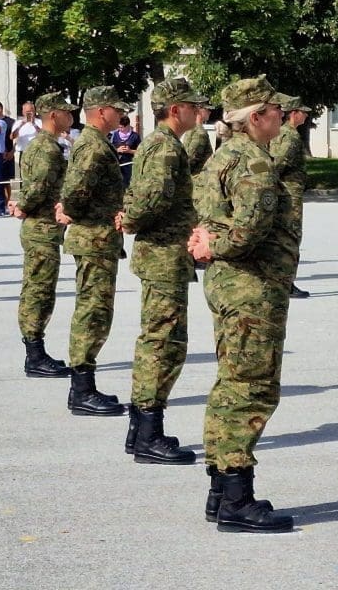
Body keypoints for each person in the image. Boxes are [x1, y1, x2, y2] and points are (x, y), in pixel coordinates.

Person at [187, 75, 298, 533]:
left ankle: (221, 490)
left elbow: (207, 214)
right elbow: (248, 231)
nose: (282, 116)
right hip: (252, 286)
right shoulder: (254, 162)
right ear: (256, 117)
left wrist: (207, 240)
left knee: (231, 383)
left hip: (230, 284)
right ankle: (236, 499)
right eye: (274, 110)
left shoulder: (222, 156)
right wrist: (213, 244)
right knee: (251, 387)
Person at [115, 77, 207, 465]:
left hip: (163, 255)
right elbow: (151, 198)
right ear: (175, 109)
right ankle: (149, 434)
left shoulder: (160, 143)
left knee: (157, 340)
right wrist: (131, 220)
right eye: (192, 105)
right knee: (164, 343)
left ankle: (140, 429)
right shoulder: (166, 147)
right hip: (164, 256)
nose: (198, 111)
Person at [57, 87, 132, 417]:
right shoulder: (93, 145)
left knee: (96, 310)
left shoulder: (96, 142)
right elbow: (76, 189)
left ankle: (84, 385)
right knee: (93, 312)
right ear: (102, 111)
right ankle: (82, 390)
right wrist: (71, 211)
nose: (121, 115)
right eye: (117, 109)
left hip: (98, 238)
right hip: (94, 239)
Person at [8, 92, 78, 378]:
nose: (71, 117)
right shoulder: (47, 148)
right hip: (42, 228)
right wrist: (23, 206)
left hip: (43, 227)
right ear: (52, 115)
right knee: (39, 290)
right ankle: (34, 354)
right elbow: (38, 187)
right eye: (66, 112)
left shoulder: (44, 144)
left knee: (38, 288)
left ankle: (35, 350)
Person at [270, 96, 311, 299]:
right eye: (303, 112)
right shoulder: (291, 136)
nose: (306, 115)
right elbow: (278, 164)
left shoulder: (279, 132)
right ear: (294, 113)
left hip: (283, 191)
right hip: (289, 194)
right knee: (291, 238)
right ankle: (287, 283)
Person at [181, 103, 213, 177]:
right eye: (207, 109)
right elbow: (192, 158)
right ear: (199, 110)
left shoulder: (190, 129)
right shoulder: (200, 133)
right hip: (198, 177)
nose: (210, 112)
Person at [11, 101, 41, 177]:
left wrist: (34, 124)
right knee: (24, 176)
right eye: (27, 112)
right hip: (24, 152)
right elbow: (12, 137)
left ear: (34, 111)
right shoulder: (18, 122)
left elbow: (44, 135)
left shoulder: (39, 122)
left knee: (37, 175)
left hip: (37, 152)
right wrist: (21, 125)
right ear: (23, 112)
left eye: (30, 111)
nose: (29, 114)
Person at [110, 115, 141, 187]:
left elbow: (140, 152)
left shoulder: (135, 136)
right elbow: (109, 149)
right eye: (119, 127)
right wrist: (117, 150)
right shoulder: (114, 135)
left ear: (128, 126)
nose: (120, 129)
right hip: (117, 165)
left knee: (127, 185)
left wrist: (130, 151)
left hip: (129, 166)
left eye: (122, 127)